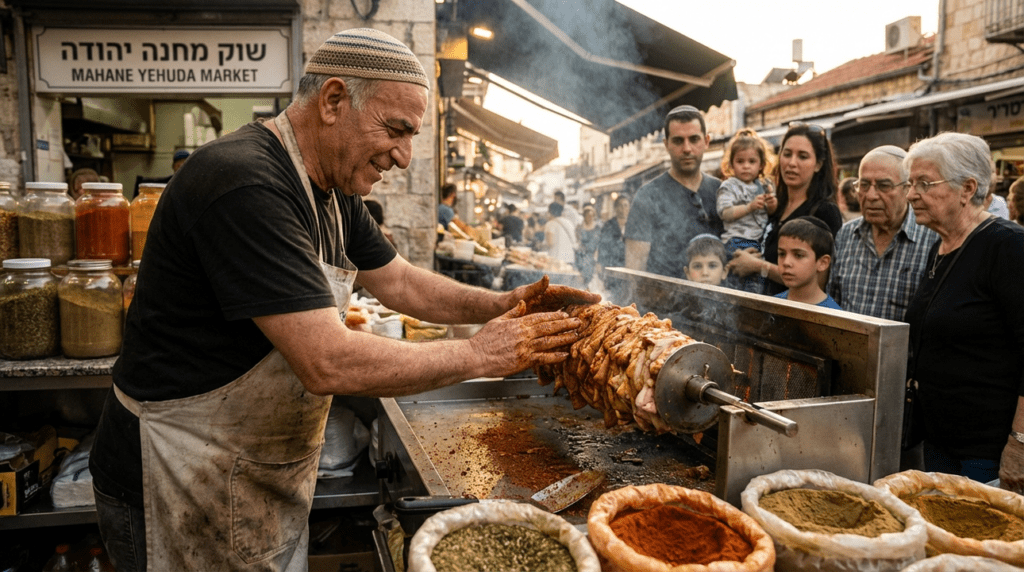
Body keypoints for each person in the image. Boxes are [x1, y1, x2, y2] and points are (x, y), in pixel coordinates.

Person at [88, 28, 597, 572]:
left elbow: (399, 282)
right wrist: (481, 356)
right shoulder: (245, 182)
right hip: (179, 473)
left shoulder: (331, 189)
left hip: (246, 471)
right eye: (396, 130)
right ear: (333, 100)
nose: (403, 157)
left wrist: (502, 303)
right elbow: (325, 359)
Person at [901, 132, 1024, 490]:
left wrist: (1019, 443)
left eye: (924, 183)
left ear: (967, 188)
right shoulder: (940, 246)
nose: (911, 194)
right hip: (939, 440)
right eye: (911, 184)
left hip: (987, 448)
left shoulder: (1007, 246)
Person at [728, 123, 842, 295]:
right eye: (787, 154)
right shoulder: (775, 205)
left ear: (818, 165)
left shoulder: (824, 212)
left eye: (803, 157)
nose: (791, 163)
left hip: (792, 316)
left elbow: (819, 283)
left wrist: (759, 266)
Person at [829, 146, 938, 322]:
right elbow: (833, 301)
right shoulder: (846, 235)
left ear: (907, 189)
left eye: (884, 186)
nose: (871, 195)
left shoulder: (933, 240)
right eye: (864, 185)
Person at [624, 104, 724, 279]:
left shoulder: (721, 192)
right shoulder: (647, 196)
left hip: (718, 305)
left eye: (694, 139)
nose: (686, 148)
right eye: (678, 140)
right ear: (666, 144)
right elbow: (634, 272)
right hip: (661, 305)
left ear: (706, 141)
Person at [716, 128, 774, 292]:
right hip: (736, 241)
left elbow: (771, 214)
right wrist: (749, 207)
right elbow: (725, 213)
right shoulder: (729, 186)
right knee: (735, 287)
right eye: (740, 161)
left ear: (761, 164)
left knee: (757, 286)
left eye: (751, 161)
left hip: (759, 242)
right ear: (731, 164)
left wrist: (771, 203)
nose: (746, 166)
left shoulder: (764, 186)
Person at [773, 217, 841, 309]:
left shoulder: (834, 317)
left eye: (798, 255)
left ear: (822, 263)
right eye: (782, 254)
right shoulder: (771, 305)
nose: (786, 262)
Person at [597, 195, 630, 301]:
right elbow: (602, 246)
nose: (623, 208)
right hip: (611, 267)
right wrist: (600, 264)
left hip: (628, 267)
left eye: (625, 205)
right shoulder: (609, 225)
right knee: (612, 297)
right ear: (616, 208)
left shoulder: (633, 226)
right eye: (620, 205)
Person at [575, 205, 600, 287]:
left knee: (590, 280)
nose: (590, 217)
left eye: (592, 216)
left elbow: (598, 245)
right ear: (584, 216)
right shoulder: (579, 227)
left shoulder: (597, 228)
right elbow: (577, 241)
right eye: (588, 215)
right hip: (580, 256)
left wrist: (597, 259)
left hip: (591, 258)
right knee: (579, 279)